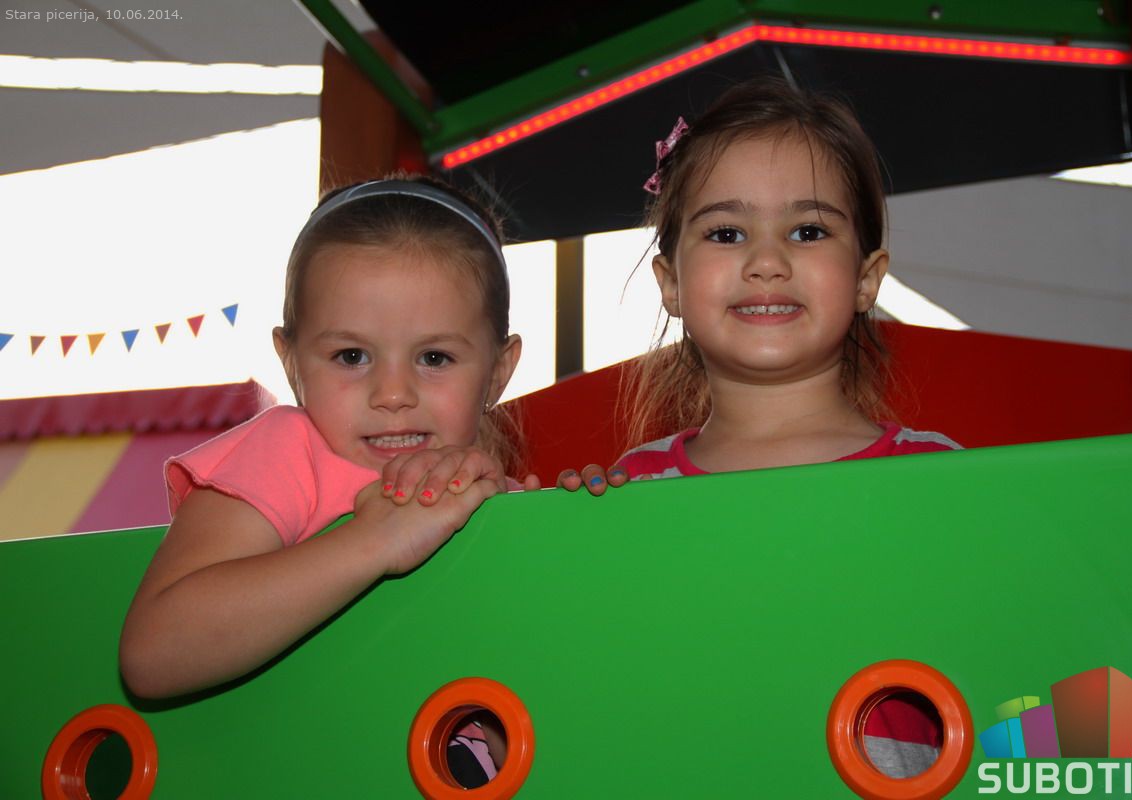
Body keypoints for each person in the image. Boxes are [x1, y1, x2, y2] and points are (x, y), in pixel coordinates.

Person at [564, 77, 960, 777]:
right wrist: (563, 548)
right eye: (726, 233)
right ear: (671, 283)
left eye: (808, 232)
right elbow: (602, 687)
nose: (768, 262)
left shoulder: (943, 479)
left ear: (866, 278)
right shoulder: (631, 490)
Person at [120, 176, 529, 786]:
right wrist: (375, 540)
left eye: (434, 358)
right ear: (291, 362)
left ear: (497, 371)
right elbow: (154, 652)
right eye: (351, 357)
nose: (393, 393)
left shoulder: (488, 499)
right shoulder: (288, 451)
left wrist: (555, 539)